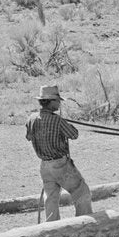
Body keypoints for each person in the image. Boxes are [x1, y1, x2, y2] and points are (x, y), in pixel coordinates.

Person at [25, 84, 93, 221]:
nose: (59, 103)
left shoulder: (31, 119)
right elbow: (74, 134)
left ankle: (51, 226)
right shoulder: (57, 120)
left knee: (51, 197)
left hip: (45, 165)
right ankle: (85, 223)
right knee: (82, 192)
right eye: (57, 101)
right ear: (49, 101)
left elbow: (28, 137)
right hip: (60, 164)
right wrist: (63, 123)